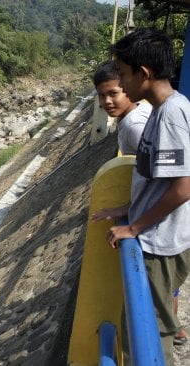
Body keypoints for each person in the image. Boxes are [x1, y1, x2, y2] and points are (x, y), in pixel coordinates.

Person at [91, 28, 190, 365]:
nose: (119, 79)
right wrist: (128, 208)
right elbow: (155, 180)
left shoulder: (171, 115)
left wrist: (135, 226)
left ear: (143, 74)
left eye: (121, 72)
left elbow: (183, 186)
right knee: (143, 324)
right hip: (155, 234)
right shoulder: (158, 111)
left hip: (161, 242)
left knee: (150, 334)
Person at [93, 60, 151, 155]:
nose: (107, 101)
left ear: (129, 87)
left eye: (113, 93)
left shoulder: (134, 127)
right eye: (102, 95)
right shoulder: (140, 106)